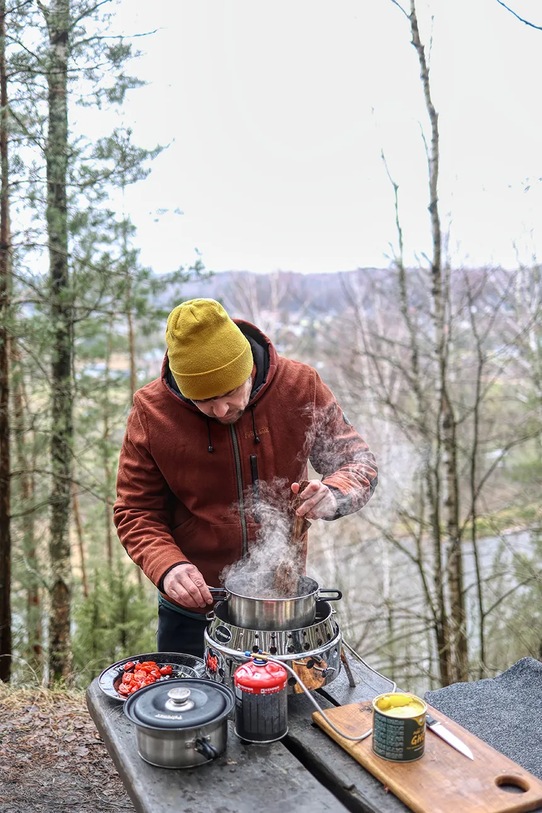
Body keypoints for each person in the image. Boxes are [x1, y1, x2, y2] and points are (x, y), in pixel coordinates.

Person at [114, 298, 378, 657]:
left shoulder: (300, 386)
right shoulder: (152, 413)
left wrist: (335, 492)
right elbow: (135, 512)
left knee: (283, 710)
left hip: (279, 605)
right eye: (202, 401)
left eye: (228, 392)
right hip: (194, 608)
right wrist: (167, 566)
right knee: (194, 709)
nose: (220, 410)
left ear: (248, 367)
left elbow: (359, 462)